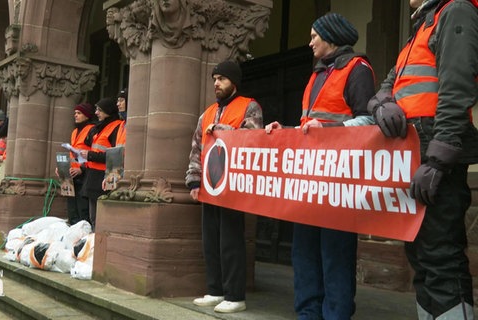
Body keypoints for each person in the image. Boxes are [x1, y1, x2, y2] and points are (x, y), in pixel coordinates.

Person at [367, 1, 478, 318]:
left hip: (434, 150)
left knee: (441, 257)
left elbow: (456, 88)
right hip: (414, 151)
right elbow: (387, 86)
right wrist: (382, 104)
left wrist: (438, 160)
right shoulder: (421, 28)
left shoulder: (456, 11)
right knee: (422, 257)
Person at [265, 13, 375, 319]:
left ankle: (335, 315)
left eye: (314, 36)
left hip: (339, 182)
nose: (309, 41)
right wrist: (285, 129)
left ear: (331, 37)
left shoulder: (358, 69)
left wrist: (328, 132)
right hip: (309, 180)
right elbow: (310, 126)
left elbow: (369, 120)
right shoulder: (317, 74)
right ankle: (308, 313)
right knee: (304, 253)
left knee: (335, 256)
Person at [185, 60, 263, 313]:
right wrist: (194, 180)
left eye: (222, 79)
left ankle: (235, 295)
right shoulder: (206, 113)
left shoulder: (249, 106)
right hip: (209, 185)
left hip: (233, 186)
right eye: (215, 79)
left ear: (234, 82)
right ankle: (215, 290)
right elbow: (197, 148)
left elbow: (252, 139)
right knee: (211, 241)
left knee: (231, 241)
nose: (217, 84)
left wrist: (220, 129)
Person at [80, 98, 123, 230]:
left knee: (99, 218)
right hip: (93, 175)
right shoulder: (99, 127)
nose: (96, 112)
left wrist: (90, 156)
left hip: (104, 176)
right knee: (93, 217)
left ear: (108, 111)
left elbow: (115, 154)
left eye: (99, 109)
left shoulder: (116, 126)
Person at [57, 102, 96, 225]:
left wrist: (82, 169)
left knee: (83, 210)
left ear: (87, 115)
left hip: (84, 174)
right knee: (72, 210)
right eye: (75, 113)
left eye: (79, 113)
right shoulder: (74, 132)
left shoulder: (92, 130)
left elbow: (92, 154)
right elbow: (72, 154)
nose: (75, 115)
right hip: (71, 175)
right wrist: (62, 168)